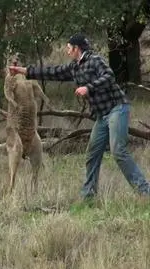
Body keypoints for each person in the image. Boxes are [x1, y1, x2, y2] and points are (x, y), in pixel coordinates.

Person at [8, 33, 150, 199]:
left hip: (117, 109)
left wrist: (88, 88)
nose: (67, 52)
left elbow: (109, 77)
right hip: (102, 115)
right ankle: (89, 195)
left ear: (77, 48)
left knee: (118, 151)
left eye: (69, 48)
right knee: (92, 153)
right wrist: (21, 71)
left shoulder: (94, 61)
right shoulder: (74, 67)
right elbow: (51, 72)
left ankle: (144, 192)